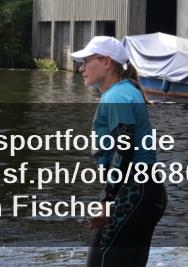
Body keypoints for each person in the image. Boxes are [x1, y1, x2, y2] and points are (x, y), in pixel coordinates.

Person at [71, 36, 167, 267]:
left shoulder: (116, 96)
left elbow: (123, 149)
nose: (81, 68)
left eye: (87, 61)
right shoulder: (125, 91)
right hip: (144, 193)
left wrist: (107, 199)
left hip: (132, 194)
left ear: (106, 62)